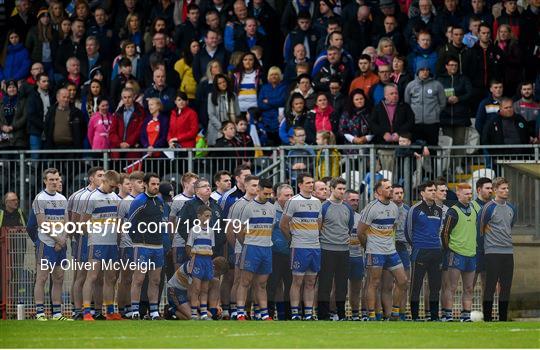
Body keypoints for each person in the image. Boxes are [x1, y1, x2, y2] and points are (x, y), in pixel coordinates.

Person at [358, 179, 408, 321]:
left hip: (390, 250)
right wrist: (368, 247)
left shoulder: (394, 207)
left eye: (391, 187)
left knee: (403, 281)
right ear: (379, 191)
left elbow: (391, 228)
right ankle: (372, 315)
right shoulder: (371, 208)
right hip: (375, 251)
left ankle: (395, 313)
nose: (391, 190)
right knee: (374, 282)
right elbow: (360, 232)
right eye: (388, 187)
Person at [279, 173, 322, 320]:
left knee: (311, 281)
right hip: (299, 246)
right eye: (308, 183)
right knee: (297, 281)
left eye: (312, 182)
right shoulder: (293, 201)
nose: (311, 185)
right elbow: (283, 224)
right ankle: (295, 313)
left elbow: (319, 222)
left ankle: (309, 313)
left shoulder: (317, 202)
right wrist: (292, 239)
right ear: (300, 185)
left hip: (315, 246)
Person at [80, 170, 122, 321]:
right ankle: (86, 312)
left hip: (111, 244)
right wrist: (92, 236)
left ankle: (110, 311)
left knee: (111, 278)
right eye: (111, 186)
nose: (113, 189)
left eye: (115, 187)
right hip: (97, 243)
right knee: (92, 276)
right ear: (105, 181)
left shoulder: (115, 197)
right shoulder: (92, 198)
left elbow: (117, 220)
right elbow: (83, 223)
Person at [33, 168, 72, 321]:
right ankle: (40, 312)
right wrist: (57, 239)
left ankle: (57, 313)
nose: (55, 182)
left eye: (56, 179)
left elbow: (67, 222)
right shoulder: (39, 199)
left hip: (60, 244)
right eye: (51, 180)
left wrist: (63, 240)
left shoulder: (63, 198)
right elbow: (42, 223)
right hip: (46, 242)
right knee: (42, 278)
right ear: (45, 181)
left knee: (59, 278)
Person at [235, 178, 275, 321]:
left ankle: (264, 314)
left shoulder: (272, 207)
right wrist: (247, 243)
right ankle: (240, 313)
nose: (268, 196)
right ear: (258, 190)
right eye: (266, 193)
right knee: (245, 282)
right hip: (251, 248)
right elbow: (239, 230)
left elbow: (272, 227)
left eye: (270, 194)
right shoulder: (248, 207)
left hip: (266, 249)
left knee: (262, 283)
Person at [128, 173, 166, 320]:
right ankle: (135, 311)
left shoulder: (160, 201)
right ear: (145, 184)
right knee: (138, 279)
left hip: (158, 247)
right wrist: (138, 240)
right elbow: (130, 223)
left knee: (155, 280)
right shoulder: (139, 201)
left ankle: (155, 312)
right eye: (153, 184)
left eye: (157, 184)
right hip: (142, 246)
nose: (156, 187)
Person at [440, 183, 481, 322]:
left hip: (471, 253)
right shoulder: (453, 211)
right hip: (456, 253)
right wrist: (449, 249)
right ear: (458, 194)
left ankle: (466, 316)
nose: (469, 196)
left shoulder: (475, 209)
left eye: (470, 193)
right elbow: (445, 233)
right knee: (451, 287)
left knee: (469, 288)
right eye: (466, 193)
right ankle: (448, 315)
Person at [404, 181, 443, 321]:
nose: (433, 192)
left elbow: (439, 230)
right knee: (416, 286)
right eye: (430, 190)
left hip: (436, 252)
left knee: (435, 287)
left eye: (434, 190)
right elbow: (407, 232)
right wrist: (417, 245)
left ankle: (434, 317)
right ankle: (415, 317)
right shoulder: (414, 209)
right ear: (422, 193)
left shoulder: (439, 210)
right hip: (420, 251)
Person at [479, 177, 516, 322]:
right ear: (495, 190)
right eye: (503, 188)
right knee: (490, 287)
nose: (506, 191)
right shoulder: (488, 207)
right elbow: (480, 228)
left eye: (507, 188)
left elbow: (510, 226)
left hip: (508, 252)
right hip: (492, 252)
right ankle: (487, 319)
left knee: (506, 287)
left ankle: (503, 319)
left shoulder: (512, 208)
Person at [317, 177, 354, 320]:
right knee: (325, 285)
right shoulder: (323, 207)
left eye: (344, 189)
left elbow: (348, 228)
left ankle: (341, 314)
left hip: (344, 251)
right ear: (331, 189)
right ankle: (323, 314)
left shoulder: (347, 208)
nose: (342, 192)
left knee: (342, 286)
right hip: (327, 250)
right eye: (339, 189)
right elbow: (319, 228)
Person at [117, 171, 145, 319]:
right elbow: (119, 225)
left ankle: (132, 307)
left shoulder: (145, 200)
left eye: (143, 182)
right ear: (132, 183)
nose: (143, 185)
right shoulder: (125, 202)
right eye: (140, 182)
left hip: (142, 245)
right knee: (126, 278)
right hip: (127, 245)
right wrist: (120, 242)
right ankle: (123, 307)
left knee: (138, 278)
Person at [267, 183, 294, 320]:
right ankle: (270, 314)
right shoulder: (271, 211)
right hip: (275, 253)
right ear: (277, 196)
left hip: (292, 253)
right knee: (273, 286)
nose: (290, 198)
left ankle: (287, 315)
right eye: (286, 195)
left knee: (290, 285)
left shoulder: (295, 211)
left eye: (291, 195)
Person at [437, 56, 473, 157]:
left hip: (461, 116)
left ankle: (458, 165)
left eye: (456, 65)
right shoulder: (440, 79)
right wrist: (446, 100)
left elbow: (469, 93)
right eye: (451, 65)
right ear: (446, 66)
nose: (453, 67)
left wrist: (459, 98)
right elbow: (436, 95)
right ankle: (447, 166)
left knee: (460, 142)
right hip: (445, 116)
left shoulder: (463, 78)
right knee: (447, 143)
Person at [404, 61, 446, 146]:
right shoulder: (410, 85)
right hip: (415, 123)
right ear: (417, 71)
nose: (425, 72)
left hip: (432, 124)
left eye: (427, 70)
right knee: (416, 149)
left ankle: (432, 160)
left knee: (432, 149)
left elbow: (442, 103)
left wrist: (435, 113)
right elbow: (407, 103)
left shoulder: (437, 85)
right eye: (422, 70)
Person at [186, 205, 215, 320]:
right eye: (206, 216)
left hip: (207, 260)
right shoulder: (194, 230)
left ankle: (203, 312)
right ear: (199, 216)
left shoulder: (211, 231)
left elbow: (211, 247)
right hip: (197, 259)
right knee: (196, 288)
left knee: (205, 288)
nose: (208, 218)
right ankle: (193, 313)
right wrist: (192, 259)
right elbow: (188, 246)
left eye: (210, 216)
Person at [169, 172, 199, 272]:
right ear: (186, 184)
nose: (196, 186)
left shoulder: (199, 200)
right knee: (178, 273)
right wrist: (173, 239)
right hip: (179, 243)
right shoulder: (176, 200)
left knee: (193, 274)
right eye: (194, 183)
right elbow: (171, 221)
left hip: (195, 244)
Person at [109, 88, 146, 159]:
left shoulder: (141, 112)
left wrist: (128, 142)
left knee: (133, 170)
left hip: (133, 150)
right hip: (118, 151)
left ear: (134, 97)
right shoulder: (117, 113)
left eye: (129, 97)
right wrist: (120, 143)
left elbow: (140, 130)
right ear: (122, 98)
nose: (127, 100)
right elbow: (112, 132)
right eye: (125, 97)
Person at [207, 74, 241, 146]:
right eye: (219, 83)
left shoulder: (233, 95)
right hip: (216, 130)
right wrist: (223, 128)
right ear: (216, 85)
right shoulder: (211, 96)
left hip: (231, 129)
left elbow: (237, 113)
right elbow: (211, 115)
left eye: (224, 82)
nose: (223, 84)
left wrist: (232, 127)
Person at [258, 67, 288, 145]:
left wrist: (268, 101)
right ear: (268, 77)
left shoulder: (284, 87)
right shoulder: (264, 87)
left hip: (279, 119)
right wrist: (275, 103)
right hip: (266, 120)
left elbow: (282, 101)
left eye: (276, 74)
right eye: (271, 75)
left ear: (280, 76)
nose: (274, 76)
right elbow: (260, 104)